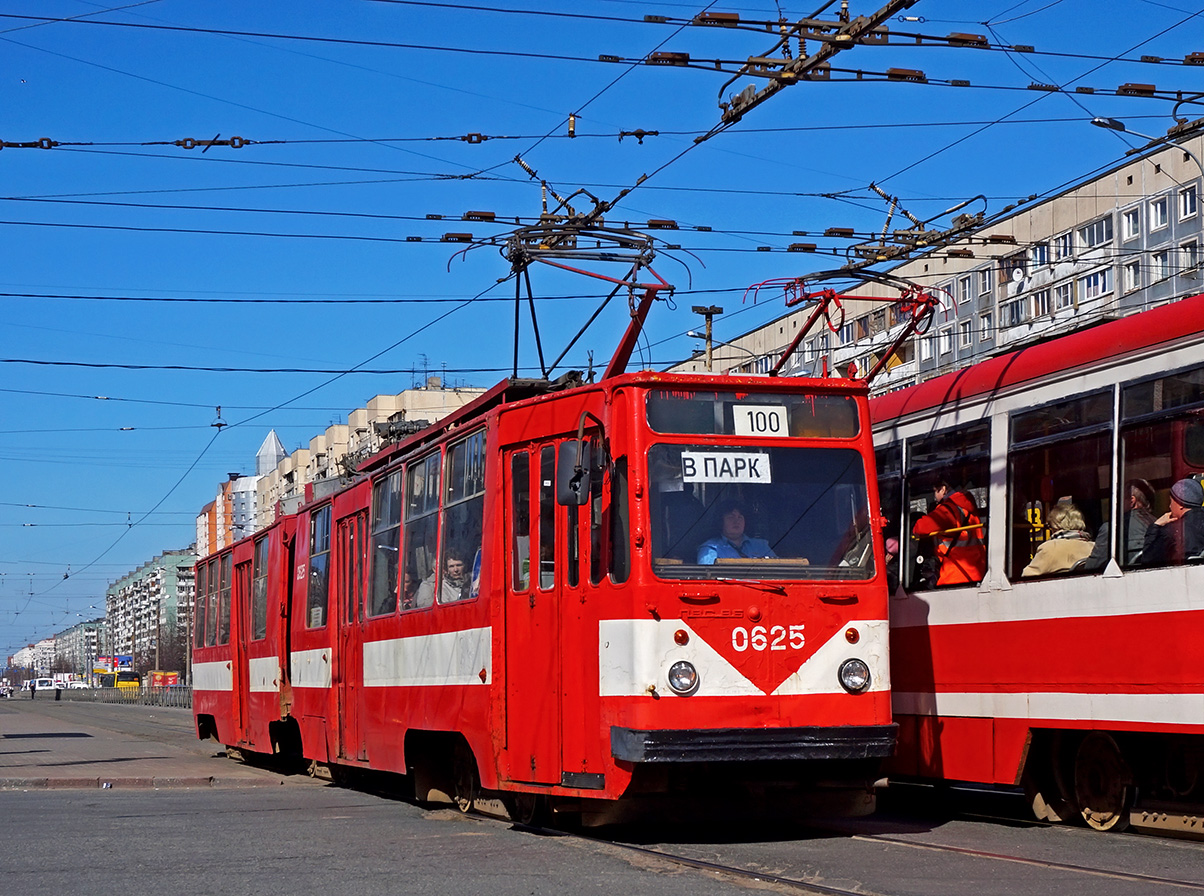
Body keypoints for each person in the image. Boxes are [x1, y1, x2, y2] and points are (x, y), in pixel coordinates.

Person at [911, 480, 986, 586]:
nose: (935, 497)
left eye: (935, 492)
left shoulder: (950, 509)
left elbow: (921, 527)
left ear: (943, 489)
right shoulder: (968, 509)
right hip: (976, 572)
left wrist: (913, 527)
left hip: (955, 575)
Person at [1139, 477, 1204, 566]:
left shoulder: (1170, 531)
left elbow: (1148, 562)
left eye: (1171, 502)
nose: (1170, 506)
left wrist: (1155, 526)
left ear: (1181, 504)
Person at [1022, 501, 1094, 577]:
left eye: (1049, 526)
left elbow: (1026, 578)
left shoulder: (1049, 548)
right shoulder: (1094, 547)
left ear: (1055, 526)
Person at [697, 500, 777, 564]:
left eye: (740, 517)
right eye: (731, 517)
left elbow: (777, 570)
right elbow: (708, 578)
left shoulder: (761, 546)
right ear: (720, 522)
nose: (736, 521)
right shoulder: (710, 549)